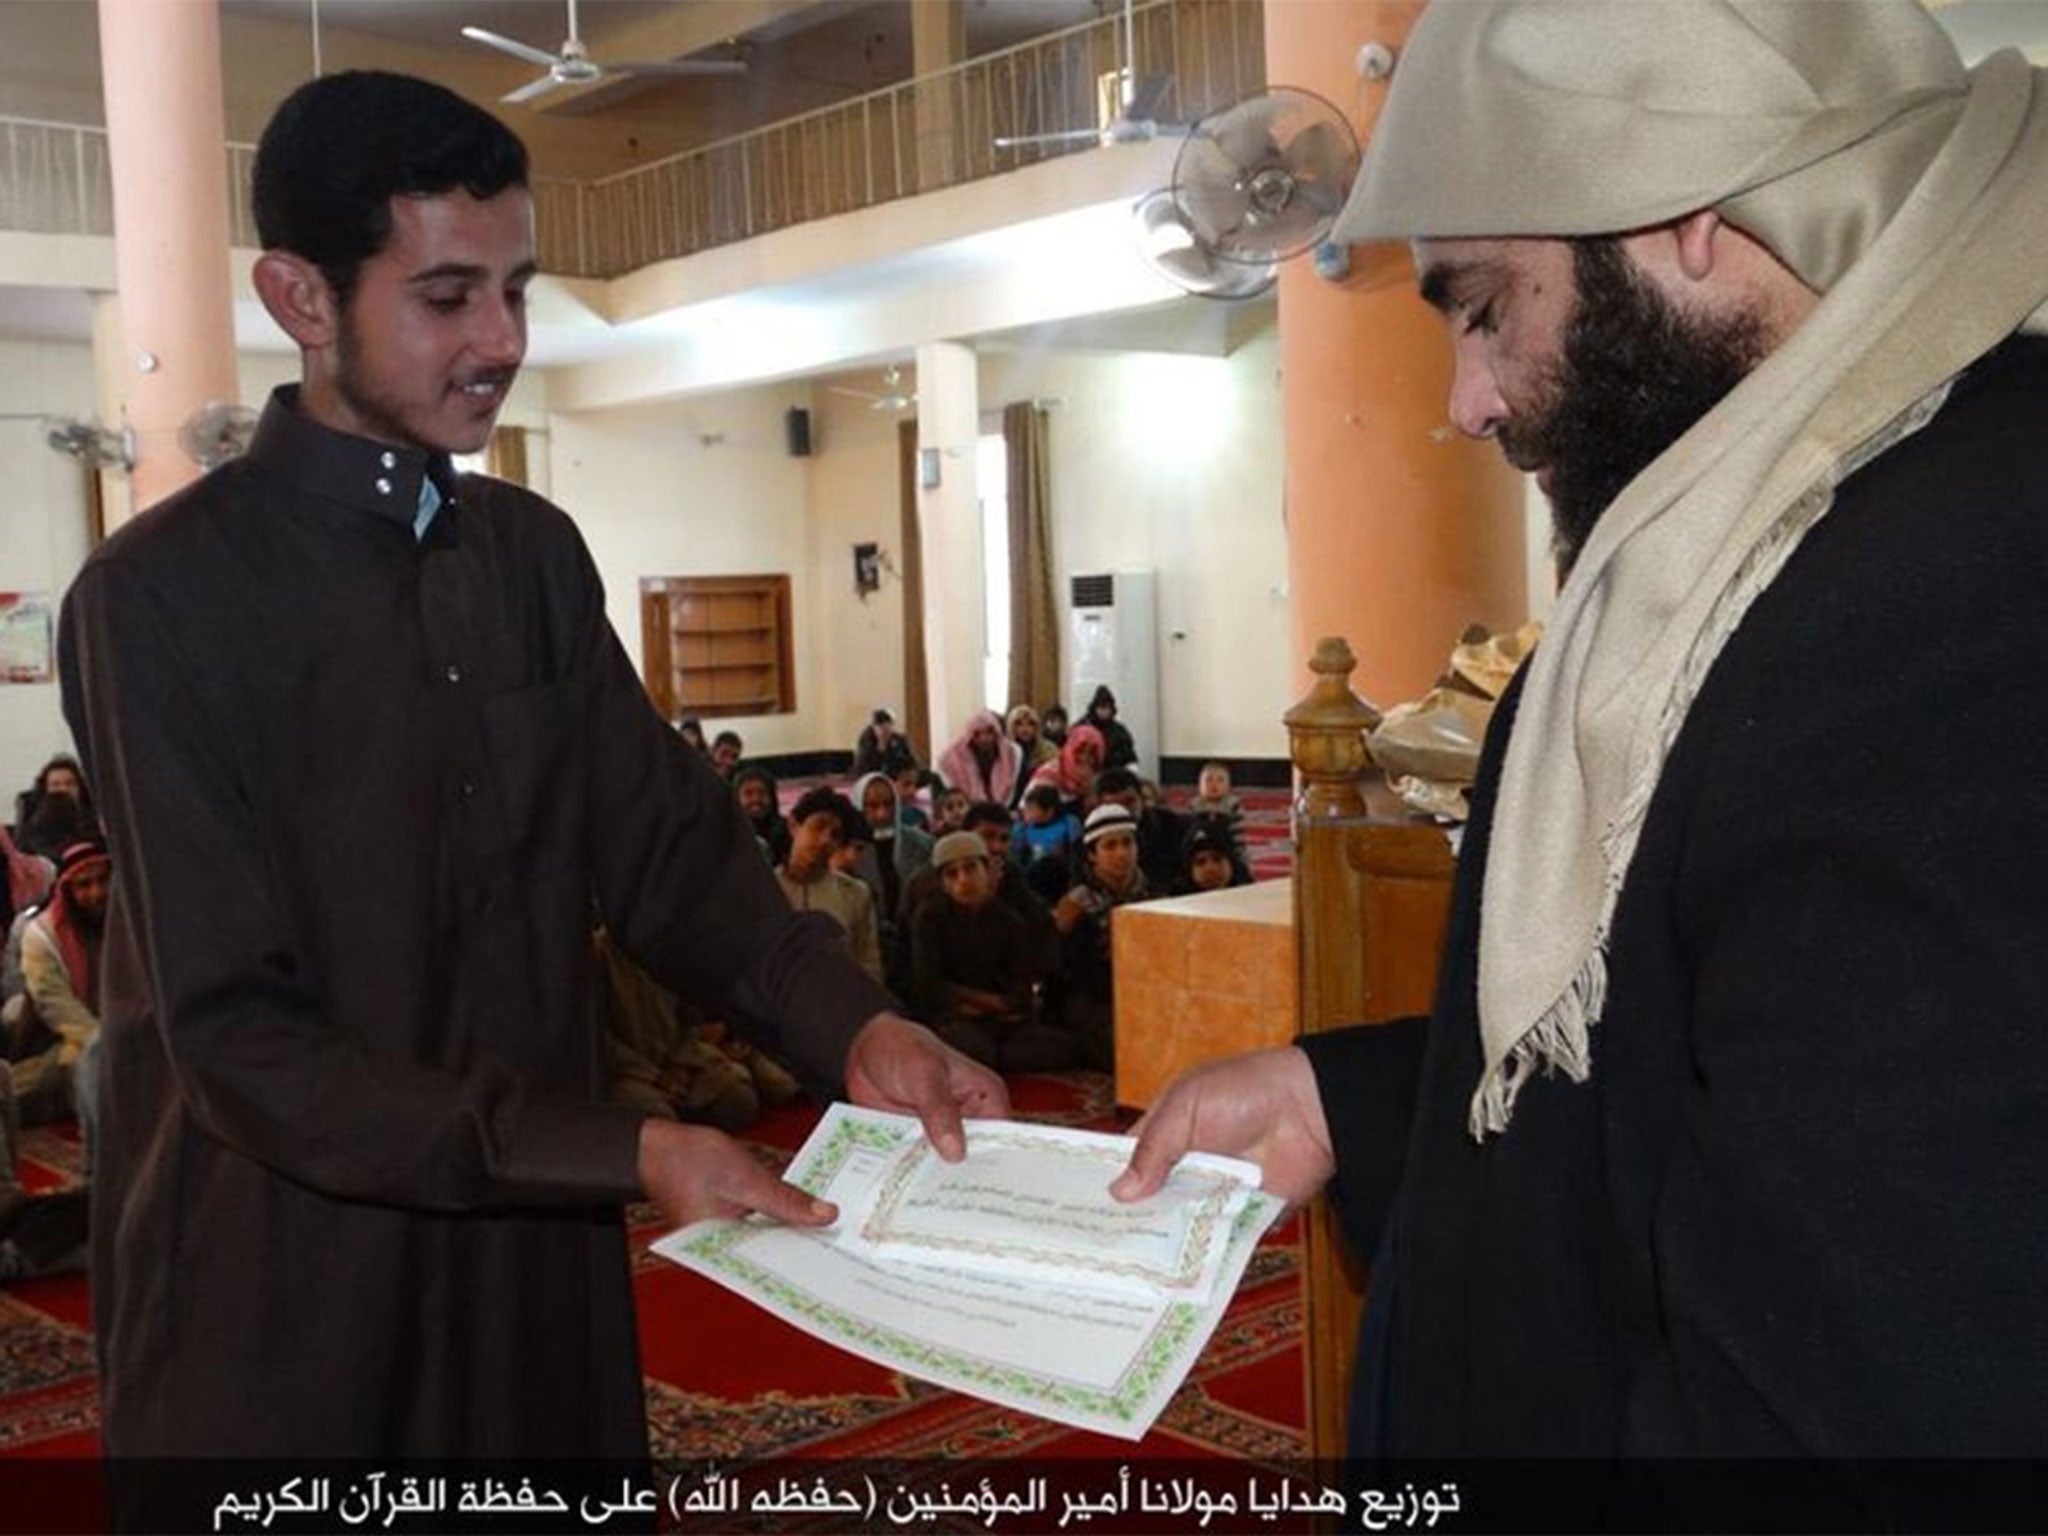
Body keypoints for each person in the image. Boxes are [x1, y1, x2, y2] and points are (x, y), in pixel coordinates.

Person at [1115, 0, 2048, 1500]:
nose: (1467, 401)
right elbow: (1746, 1022)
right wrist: (1340, 1100)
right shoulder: (1767, 521)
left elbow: (1868, 1401)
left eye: (1483, 308)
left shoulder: (1963, 596)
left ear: (1686, 211)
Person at [57, 71, 1006, 1471]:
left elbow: (670, 856)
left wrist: (854, 1026)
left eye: (519, 288)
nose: (502, 338)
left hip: (529, 1258)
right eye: (448, 296)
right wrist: (627, 1150)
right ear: (300, 300)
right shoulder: (158, 599)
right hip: (286, 1276)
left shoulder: (529, 556)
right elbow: (241, 1044)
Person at [909, 831, 1071, 1073]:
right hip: (952, 1018)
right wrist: (992, 1003)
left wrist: (978, 1001)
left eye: (970, 868)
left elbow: (1020, 995)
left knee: (1065, 1047)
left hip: (1000, 1022)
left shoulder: (1009, 921)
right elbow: (929, 986)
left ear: (987, 870)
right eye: (952, 874)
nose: (963, 880)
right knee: (973, 1049)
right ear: (942, 882)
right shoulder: (929, 917)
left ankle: (995, 1057)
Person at [14, 840, 110, 1136]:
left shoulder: (131, 925)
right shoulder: (42, 937)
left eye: (103, 881)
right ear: (67, 890)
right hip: (62, 1039)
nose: (97, 893)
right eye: (84, 885)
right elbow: (61, 1012)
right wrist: (110, 1046)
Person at [1052, 804, 1148, 1071]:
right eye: (1110, 846)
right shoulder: (1075, 904)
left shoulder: (1154, 894)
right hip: (1090, 995)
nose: (1122, 853)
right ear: (1093, 855)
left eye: (1128, 843)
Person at [774, 787, 885, 985]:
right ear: (793, 825)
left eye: (835, 835)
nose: (825, 840)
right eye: (818, 826)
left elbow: (869, 969)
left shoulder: (855, 894)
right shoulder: (765, 888)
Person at [13, 755, 97, 860]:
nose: (63, 789)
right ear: (45, 789)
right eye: (55, 785)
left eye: (70, 784)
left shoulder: (94, 815)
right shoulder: (35, 819)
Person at [937, 709, 1021, 809]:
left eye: (989, 732)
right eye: (977, 734)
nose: (984, 738)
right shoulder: (952, 758)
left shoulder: (1012, 754)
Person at [732, 762, 791, 867]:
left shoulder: (787, 830)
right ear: (737, 799)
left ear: (772, 797)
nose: (756, 799)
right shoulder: (728, 832)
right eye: (748, 793)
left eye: (762, 793)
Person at [852, 706, 920, 780]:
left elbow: (913, 763)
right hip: (872, 780)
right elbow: (861, 768)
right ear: (874, 728)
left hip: (896, 779)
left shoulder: (900, 741)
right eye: (880, 727)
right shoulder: (866, 742)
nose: (883, 732)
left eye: (887, 727)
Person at [1082, 685, 1138, 772]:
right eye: (1101, 707)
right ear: (1094, 708)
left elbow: (1130, 759)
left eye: (1106, 707)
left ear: (1112, 709)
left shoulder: (1120, 731)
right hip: (1089, 776)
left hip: (1115, 777)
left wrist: (1130, 774)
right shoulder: (1084, 728)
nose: (1104, 711)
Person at [1004, 704, 1057, 794]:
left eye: (1030, 724)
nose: (1025, 728)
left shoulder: (1048, 749)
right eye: (1019, 724)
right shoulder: (1006, 750)